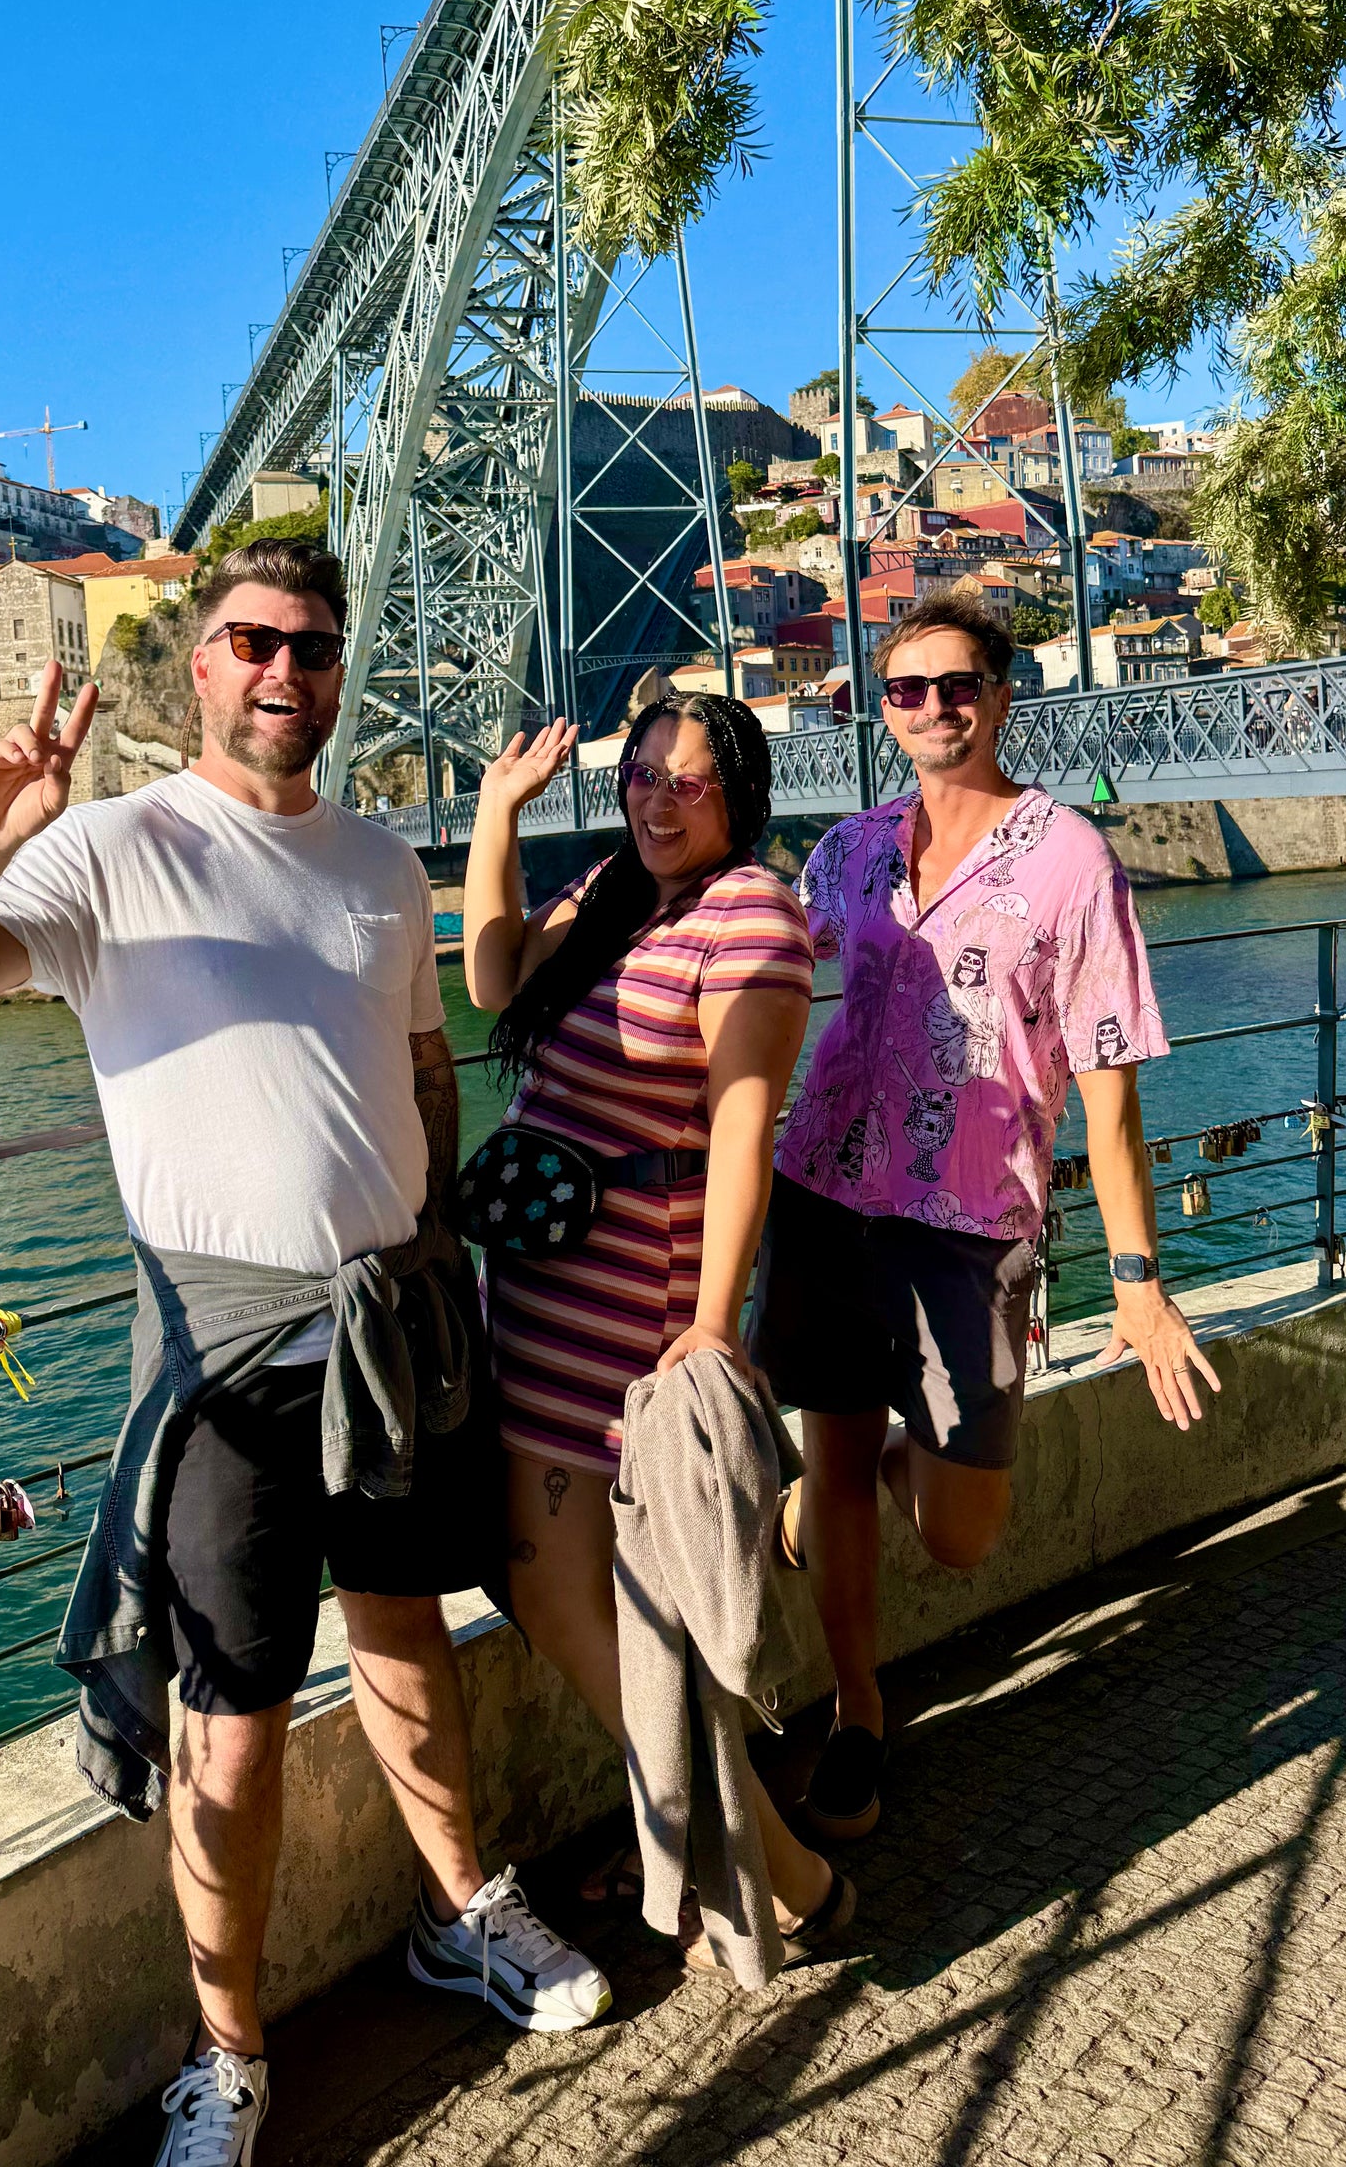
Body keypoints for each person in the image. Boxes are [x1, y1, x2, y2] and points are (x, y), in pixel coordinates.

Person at [0, 538, 606, 2167]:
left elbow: (425, 1063)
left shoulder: (382, 866)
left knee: (404, 1630)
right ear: (201, 667)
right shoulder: (113, 849)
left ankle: (461, 1912)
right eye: (255, 641)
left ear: (337, 676)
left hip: (393, 1321)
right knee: (234, 1704)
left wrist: (430, 1239)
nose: (285, 669)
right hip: (225, 1350)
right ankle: (229, 2053)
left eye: (314, 648)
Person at [754, 582, 1220, 1847]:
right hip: (824, 1193)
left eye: (958, 684)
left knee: (960, 1530)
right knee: (834, 1456)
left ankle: (827, 1498)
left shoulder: (1072, 859)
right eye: (906, 689)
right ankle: (857, 1711)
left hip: (969, 1223)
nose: (933, 707)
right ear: (884, 708)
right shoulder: (849, 849)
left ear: (1002, 697)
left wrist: (1140, 1279)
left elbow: (1112, 1094)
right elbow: (759, 980)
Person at [462, 691, 855, 1965]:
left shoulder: (753, 915)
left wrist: (712, 1321)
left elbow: (744, 1124)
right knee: (596, 1598)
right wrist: (496, 814)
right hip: (536, 1290)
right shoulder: (615, 893)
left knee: (569, 1590)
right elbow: (491, 979)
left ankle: (782, 1874)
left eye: (690, 779)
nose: (659, 796)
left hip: (628, 1304)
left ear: (739, 793)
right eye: (642, 772)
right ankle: (709, 1844)